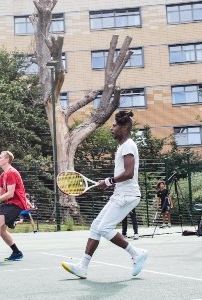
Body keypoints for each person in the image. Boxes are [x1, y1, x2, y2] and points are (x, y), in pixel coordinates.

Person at [61, 110, 148, 279]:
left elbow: (129, 173)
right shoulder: (123, 146)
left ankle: (137, 253)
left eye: (114, 126)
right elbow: (124, 174)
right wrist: (110, 183)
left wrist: (108, 181)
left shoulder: (128, 145)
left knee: (104, 228)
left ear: (123, 127)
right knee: (96, 226)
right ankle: (82, 267)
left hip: (128, 196)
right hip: (120, 194)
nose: (112, 128)